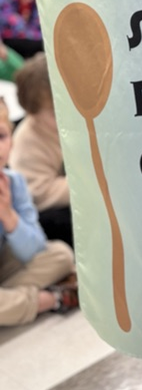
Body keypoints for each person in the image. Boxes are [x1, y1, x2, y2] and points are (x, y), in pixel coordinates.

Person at [0, 97, 77, 327]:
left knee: (61, 255)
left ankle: (10, 301)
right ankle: (49, 299)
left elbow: (35, 250)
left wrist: (8, 215)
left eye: (1, 137)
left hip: (5, 269)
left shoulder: (14, 183)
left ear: (11, 141)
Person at [10, 53, 73, 248]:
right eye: (55, 112)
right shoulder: (27, 144)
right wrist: (87, 182)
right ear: (32, 112)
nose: (67, 114)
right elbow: (40, 193)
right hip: (45, 211)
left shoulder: (70, 125)